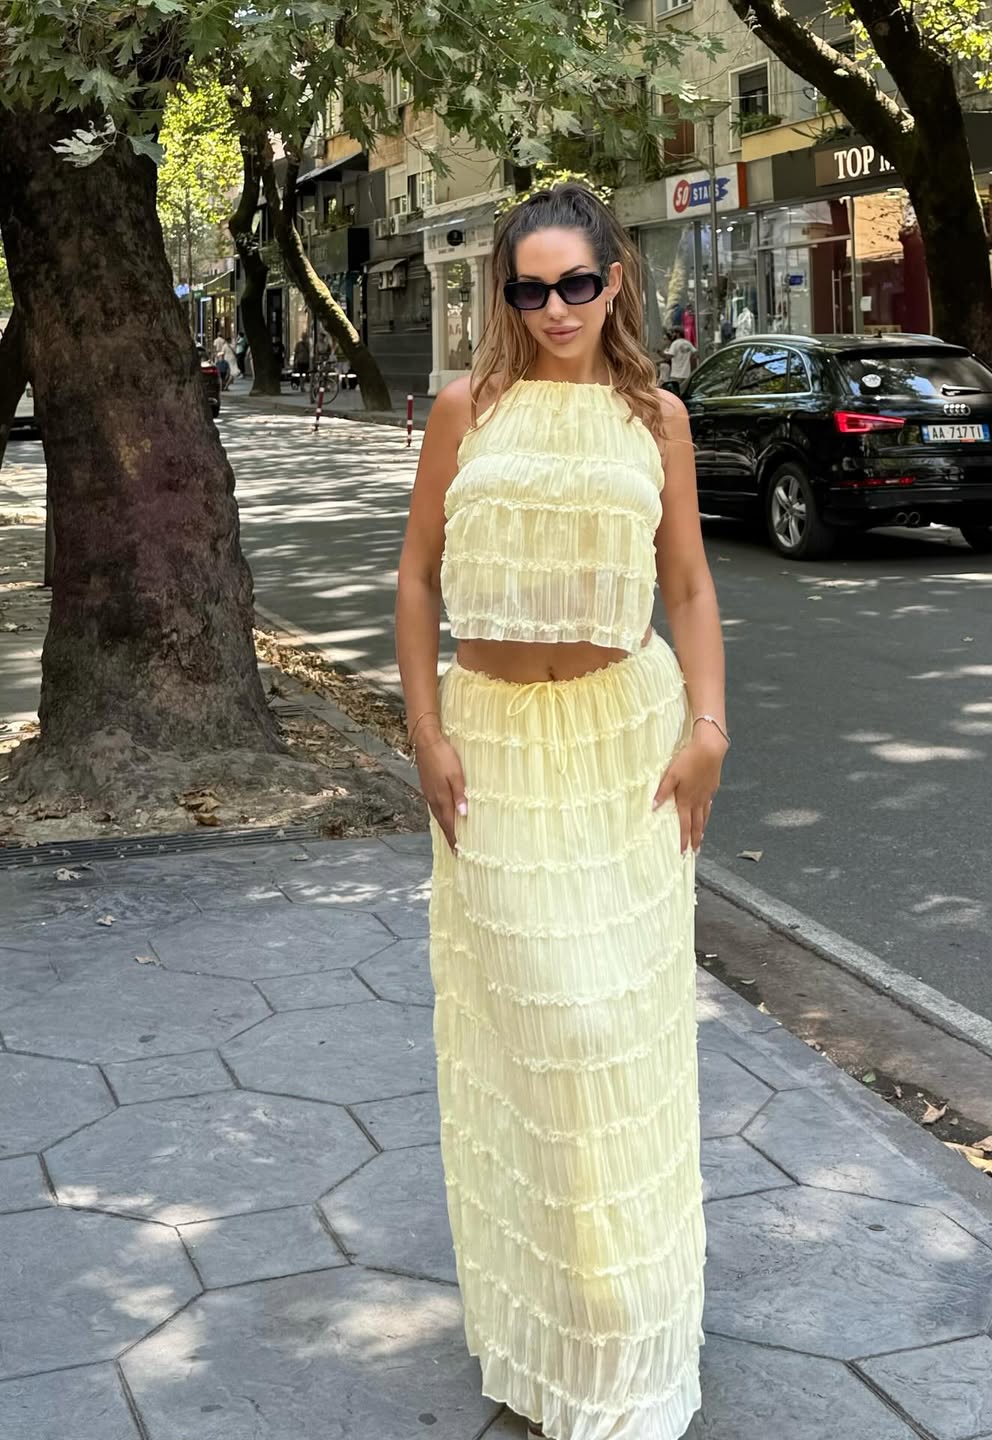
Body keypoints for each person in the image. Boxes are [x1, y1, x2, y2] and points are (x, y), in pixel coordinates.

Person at [395, 183, 728, 1439]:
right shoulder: (463, 411)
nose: (554, 310)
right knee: (537, 1033)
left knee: (617, 1030)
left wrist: (708, 728)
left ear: (616, 281)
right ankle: (551, 1324)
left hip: (623, 745)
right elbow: (418, 580)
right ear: (504, 292)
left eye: (576, 284)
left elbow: (688, 585)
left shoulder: (657, 417)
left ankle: (624, 1326)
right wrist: (423, 734)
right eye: (529, 289)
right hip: (491, 746)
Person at [665, 327, 697, 395]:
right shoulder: (688, 343)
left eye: (673, 333)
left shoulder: (675, 344)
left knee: (675, 395)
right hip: (686, 374)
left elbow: (668, 357)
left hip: (676, 374)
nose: (672, 335)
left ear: (678, 334)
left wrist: (661, 354)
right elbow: (695, 354)